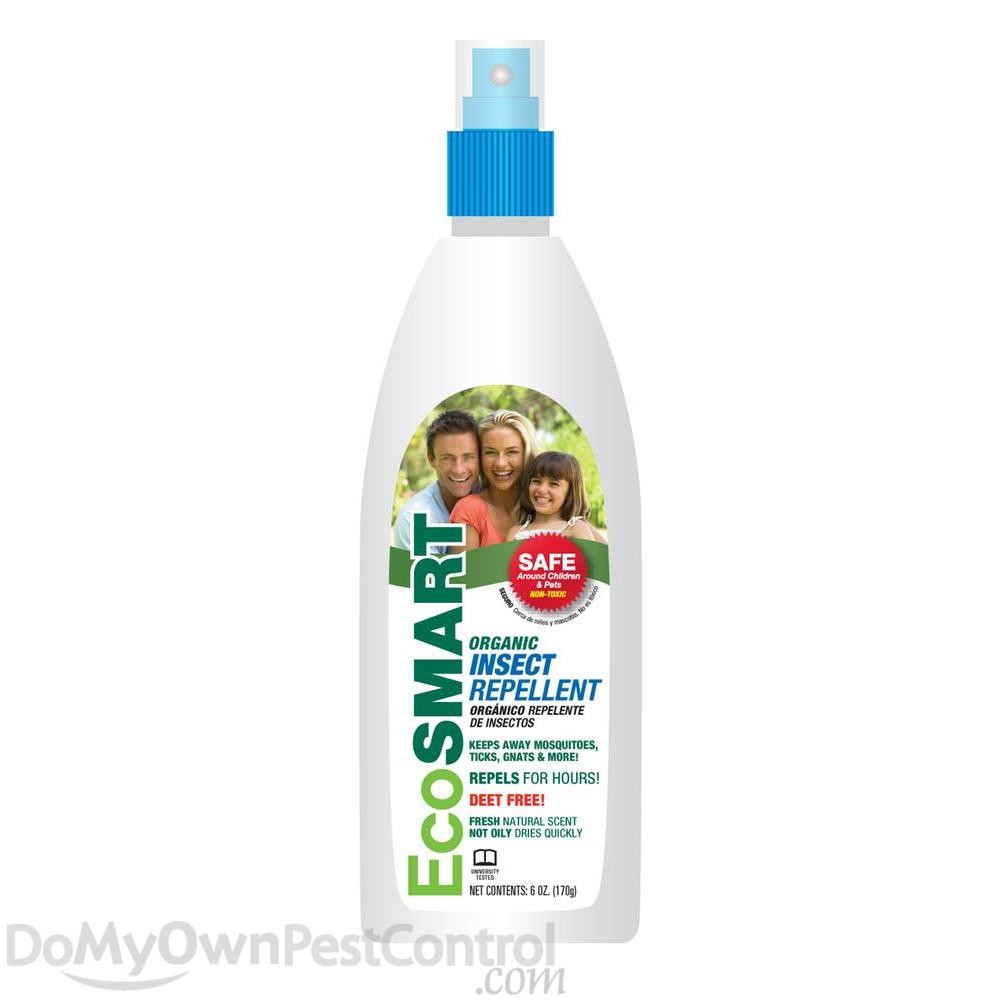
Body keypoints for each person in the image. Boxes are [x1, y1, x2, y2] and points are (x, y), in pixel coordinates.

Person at [392, 409, 480, 554]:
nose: (459, 470)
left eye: (468, 457)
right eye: (447, 458)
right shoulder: (414, 519)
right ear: (432, 459)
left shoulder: (497, 501)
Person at [450, 410, 538, 550]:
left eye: (512, 452)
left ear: (528, 455)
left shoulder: (546, 506)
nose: (500, 463)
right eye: (490, 452)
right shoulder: (468, 509)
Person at [506, 451, 607, 543]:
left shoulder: (576, 529)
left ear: (570, 492)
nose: (542, 489)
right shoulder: (516, 532)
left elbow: (599, 555)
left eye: (553, 484)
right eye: (536, 481)